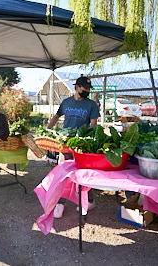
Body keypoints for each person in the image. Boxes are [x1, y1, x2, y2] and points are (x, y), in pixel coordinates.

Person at [46, 76, 100, 219]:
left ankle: (89, 200)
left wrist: (83, 139)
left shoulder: (91, 105)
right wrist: (48, 129)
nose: (87, 91)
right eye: (85, 88)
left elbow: (93, 124)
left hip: (82, 146)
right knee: (66, 173)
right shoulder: (66, 102)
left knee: (82, 174)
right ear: (76, 87)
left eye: (89, 89)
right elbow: (56, 116)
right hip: (66, 145)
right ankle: (60, 203)